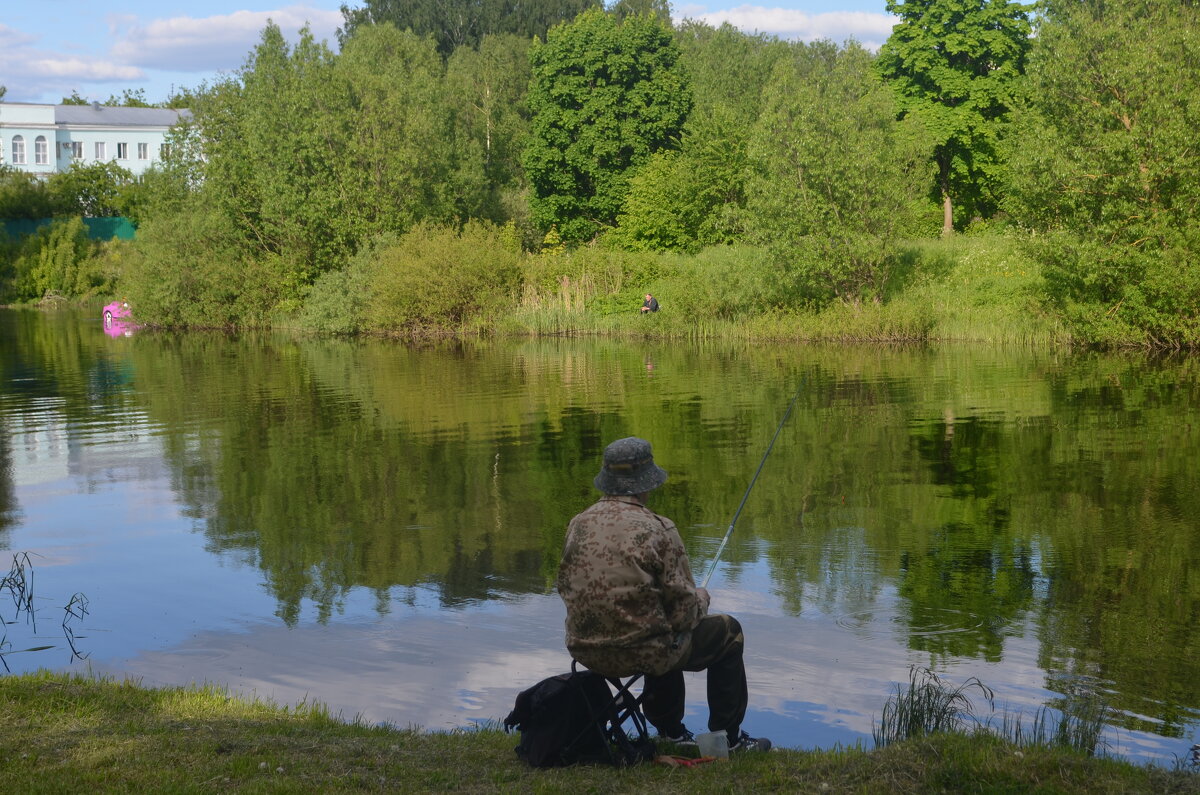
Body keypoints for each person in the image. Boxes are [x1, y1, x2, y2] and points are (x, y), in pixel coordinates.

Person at [556, 437, 772, 753]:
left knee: (658, 623)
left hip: (585, 651)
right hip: (644, 652)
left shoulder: (578, 524)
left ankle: (670, 732)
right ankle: (728, 738)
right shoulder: (659, 528)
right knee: (728, 631)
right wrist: (702, 598)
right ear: (646, 483)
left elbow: (564, 586)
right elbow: (684, 613)